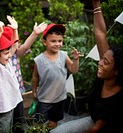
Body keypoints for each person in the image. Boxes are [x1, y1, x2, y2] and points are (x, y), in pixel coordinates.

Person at [50, 0, 123, 132]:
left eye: (105, 62)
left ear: (117, 71)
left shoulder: (118, 99)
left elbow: (95, 129)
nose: (99, 63)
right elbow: (100, 33)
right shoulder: (105, 75)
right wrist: (96, 4)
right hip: (93, 120)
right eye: (102, 59)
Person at [2, 15, 47, 133]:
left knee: (20, 120)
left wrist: (34, 33)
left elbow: (25, 45)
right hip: (5, 97)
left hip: (17, 95)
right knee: (7, 122)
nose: (15, 45)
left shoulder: (16, 54)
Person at [32, 23, 80, 129]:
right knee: (40, 124)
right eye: (53, 41)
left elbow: (73, 70)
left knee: (53, 123)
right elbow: (35, 77)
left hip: (60, 98)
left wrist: (76, 59)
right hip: (44, 99)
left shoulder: (63, 55)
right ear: (45, 42)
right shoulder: (39, 60)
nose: (57, 44)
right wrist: (34, 90)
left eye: (60, 41)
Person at [0, 30, 23, 132]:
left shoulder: (7, 62)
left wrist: (15, 29)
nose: (10, 55)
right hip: (2, 108)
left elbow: (14, 46)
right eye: (6, 53)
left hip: (11, 104)